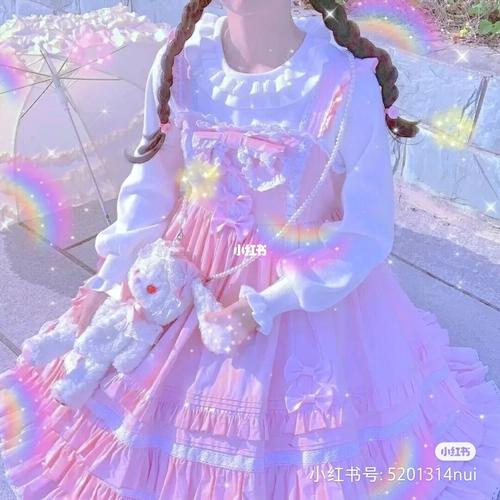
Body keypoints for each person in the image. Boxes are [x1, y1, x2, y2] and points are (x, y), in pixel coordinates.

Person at [1, 0, 499, 498]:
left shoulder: (341, 83)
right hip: (186, 275)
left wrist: (269, 303)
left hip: (304, 292)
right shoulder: (182, 63)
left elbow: (365, 230)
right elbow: (152, 185)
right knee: (116, 395)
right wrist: (111, 276)